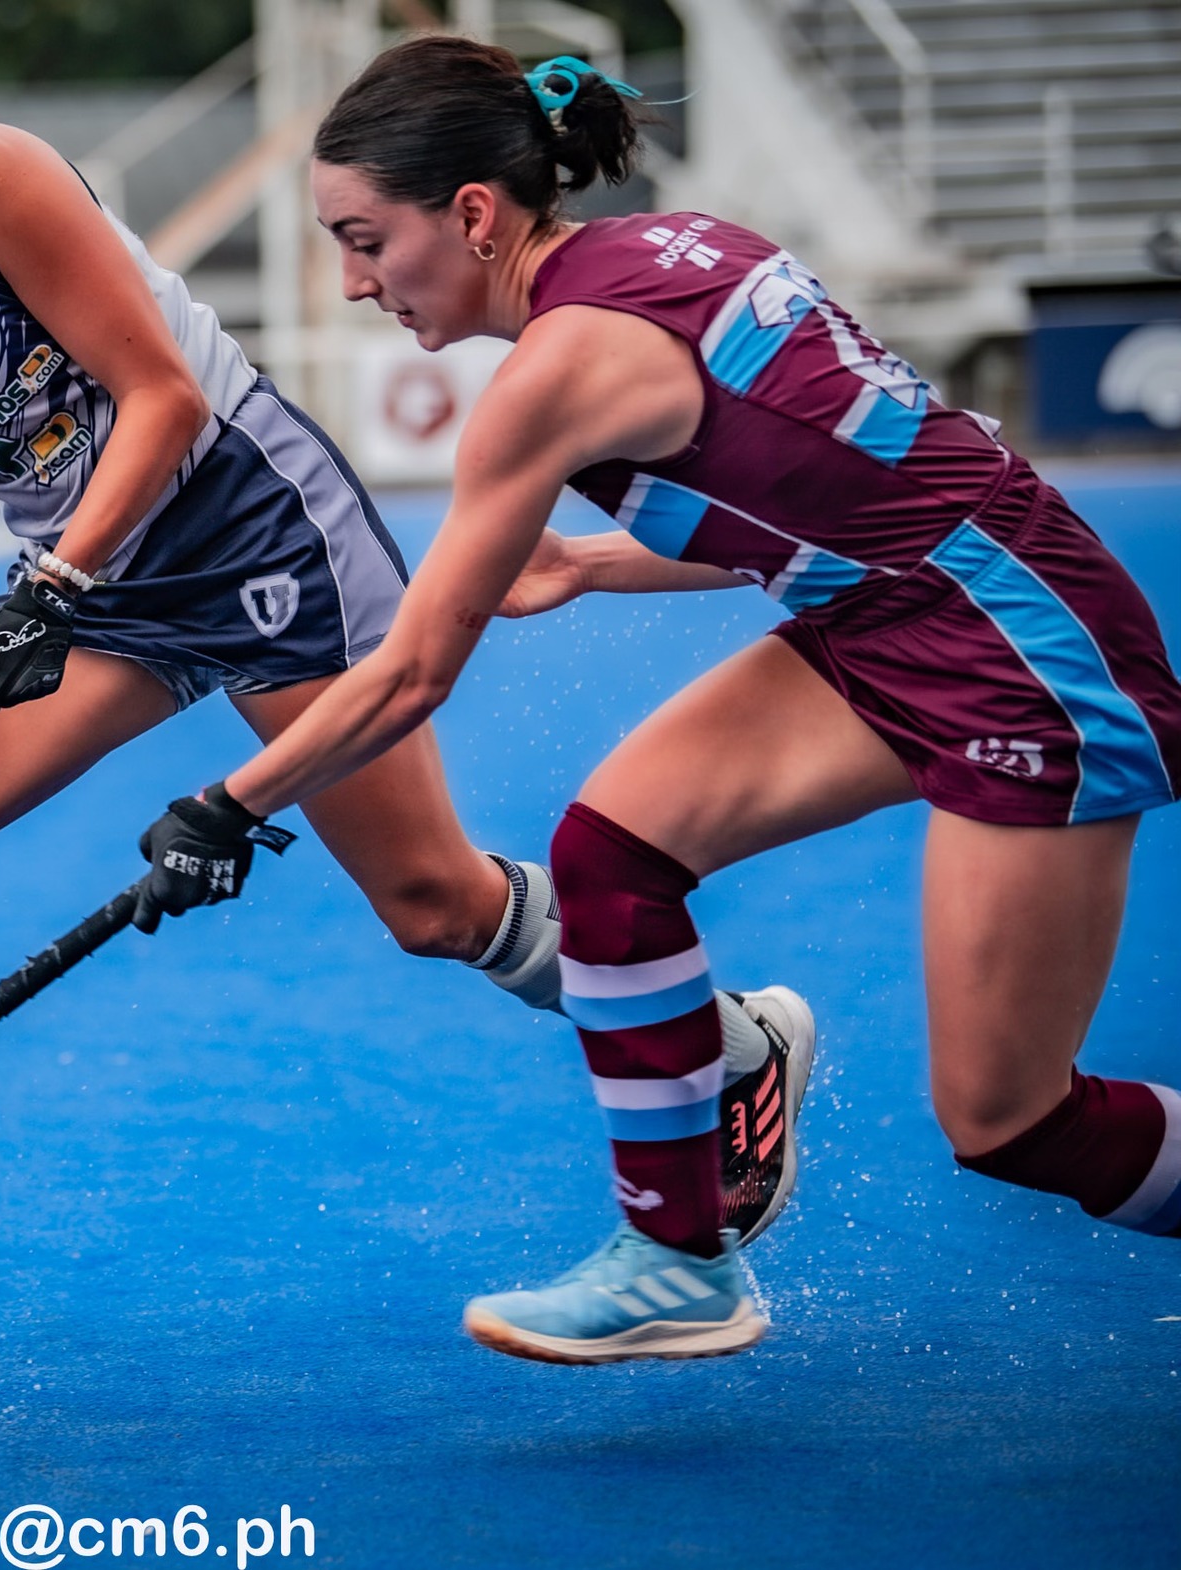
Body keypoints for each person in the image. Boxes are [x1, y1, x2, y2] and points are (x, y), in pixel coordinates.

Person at [0, 4, 807, 1373]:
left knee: (433, 906)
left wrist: (52, 581)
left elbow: (164, 396)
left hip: (261, 539)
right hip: (94, 596)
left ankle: (735, 1049)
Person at [134, 37, 1181, 1366]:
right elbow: (828, 496)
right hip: (898, 612)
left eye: (365, 241)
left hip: (1019, 653)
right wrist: (587, 564)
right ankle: (678, 1261)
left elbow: (408, 673)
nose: (352, 283)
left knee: (1009, 1118)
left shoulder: (552, 374)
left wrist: (227, 804)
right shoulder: (676, 246)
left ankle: (684, 1245)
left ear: (473, 214)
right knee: (611, 855)